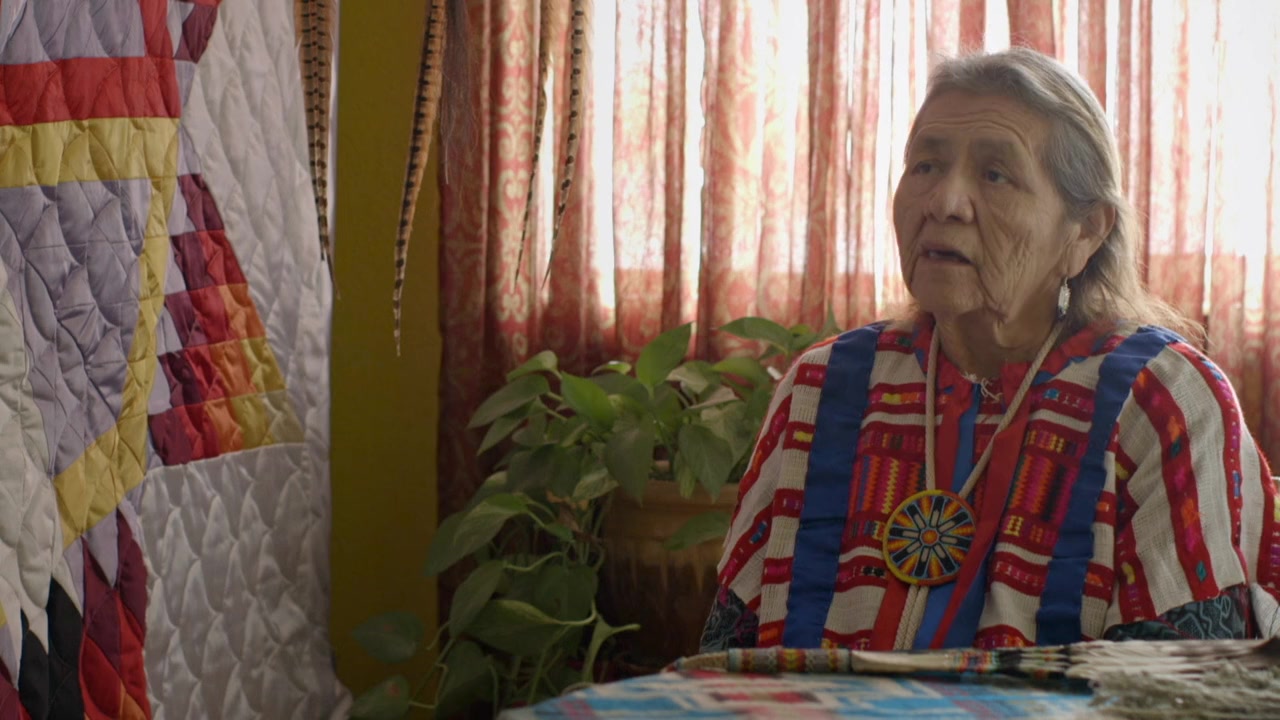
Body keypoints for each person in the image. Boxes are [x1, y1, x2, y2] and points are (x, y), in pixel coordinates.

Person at [701, 47, 1280, 652]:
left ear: (1085, 231)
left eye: (995, 174)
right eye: (925, 165)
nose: (943, 202)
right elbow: (725, 657)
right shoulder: (822, 389)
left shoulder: (1160, 401)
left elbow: (1180, 681)